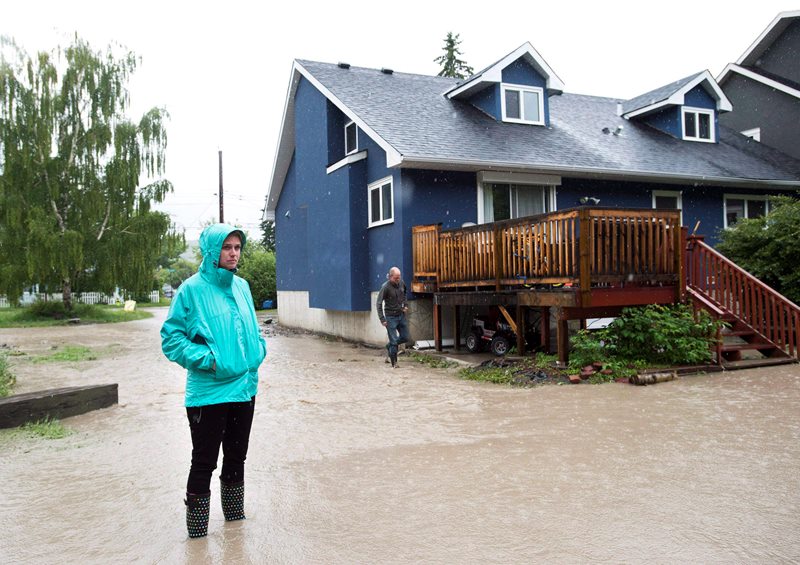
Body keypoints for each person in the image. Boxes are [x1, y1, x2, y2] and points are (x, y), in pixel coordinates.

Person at [160, 224, 267, 538]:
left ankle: (235, 531)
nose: (233, 253)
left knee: (237, 457)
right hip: (209, 392)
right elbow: (171, 340)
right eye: (227, 247)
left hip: (245, 387)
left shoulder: (243, 286)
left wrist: (258, 350)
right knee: (204, 462)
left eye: (237, 247)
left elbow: (253, 330)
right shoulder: (191, 290)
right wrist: (211, 360)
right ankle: (197, 538)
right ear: (212, 251)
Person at [376, 266, 410, 368]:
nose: (398, 279)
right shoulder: (385, 287)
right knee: (394, 341)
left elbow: (405, 293)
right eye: (396, 278)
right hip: (390, 318)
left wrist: (405, 305)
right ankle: (394, 363)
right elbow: (378, 303)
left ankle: (389, 345)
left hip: (401, 315)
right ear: (390, 277)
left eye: (399, 277)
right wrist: (382, 319)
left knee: (405, 337)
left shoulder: (401, 283)